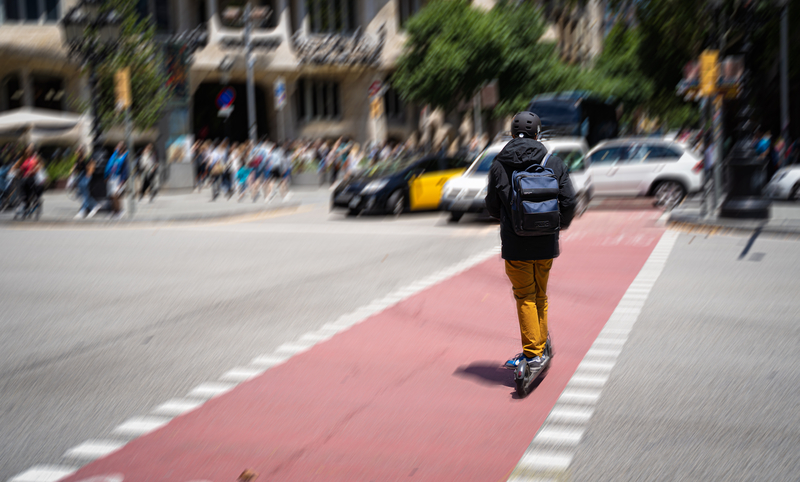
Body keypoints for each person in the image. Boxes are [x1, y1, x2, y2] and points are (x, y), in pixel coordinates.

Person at [484, 111, 577, 370]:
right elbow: (569, 202)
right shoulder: (553, 162)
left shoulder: (499, 164)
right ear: (538, 134)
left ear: (512, 135)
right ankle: (541, 342)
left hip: (515, 244)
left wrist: (509, 218)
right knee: (540, 295)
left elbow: (492, 206)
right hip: (546, 242)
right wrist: (558, 226)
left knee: (525, 295)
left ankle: (532, 353)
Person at [105, 142, 129, 219]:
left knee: (116, 195)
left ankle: (119, 211)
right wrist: (107, 175)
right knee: (111, 195)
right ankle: (113, 211)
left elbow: (125, 170)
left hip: (119, 178)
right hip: (112, 177)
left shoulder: (125, 157)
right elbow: (110, 166)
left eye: (118, 147)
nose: (116, 148)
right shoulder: (115, 156)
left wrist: (122, 181)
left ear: (121, 149)